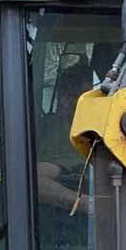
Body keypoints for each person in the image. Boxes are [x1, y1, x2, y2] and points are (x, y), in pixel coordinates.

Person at [35, 61, 95, 214]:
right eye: (66, 95)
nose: (65, 102)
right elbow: (36, 182)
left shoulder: (99, 131)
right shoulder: (55, 131)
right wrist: (89, 205)